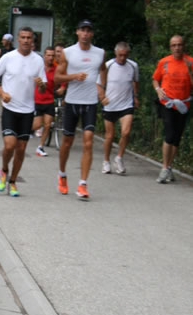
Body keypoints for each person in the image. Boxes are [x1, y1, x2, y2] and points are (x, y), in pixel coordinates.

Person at [0, 26, 47, 196]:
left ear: (33, 41)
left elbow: (43, 89)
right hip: (10, 108)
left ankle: (13, 182)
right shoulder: (8, 57)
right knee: (9, 145)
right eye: (23, 37)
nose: (26, 40)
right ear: (18, 39)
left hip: (27, 110)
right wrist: (2, 93)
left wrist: (41, 85)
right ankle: (4, 170)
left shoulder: (38, 60)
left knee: (21, 148)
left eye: (29, 38)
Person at [54, 20, 106, 199]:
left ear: (92, 34)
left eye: (88, 31)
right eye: (82, 30)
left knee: (88, 141)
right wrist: (74, 76)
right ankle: (62, 174)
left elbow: (103, 70)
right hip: (72, 102)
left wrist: (101, 87)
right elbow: (57, 77)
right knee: (67, 142)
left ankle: (83, 184)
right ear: (77, 32)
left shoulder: (100, 53)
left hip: (90, 103)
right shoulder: (68, 52)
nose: (85, 33)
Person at [152, 34, 193, 183]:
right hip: (167, 103)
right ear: (170, 47)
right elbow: (155, 79)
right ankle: (164, 168)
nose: (177, 48)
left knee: (176, 138)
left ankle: (169, 167)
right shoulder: (164, 62)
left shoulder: (190, 62)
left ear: (183, 46)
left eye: (179, 45)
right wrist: (158, 90)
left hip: (183, 104)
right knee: (169, 134)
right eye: (174, 45)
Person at [100, 42, 139, 175]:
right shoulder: (108, 65)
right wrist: (102, 97)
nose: (122, 58)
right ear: (116, 53)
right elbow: (99, 84)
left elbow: (135, 81)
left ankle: (119, 158)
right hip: (110, 105)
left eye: (125, 55)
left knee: (126, 132)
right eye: (120, 55)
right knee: (109, 136)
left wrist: (135, 96)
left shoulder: (133, 66)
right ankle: (106, 161)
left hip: (126, 105)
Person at [33, 47, 65, 156]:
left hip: (49, 100)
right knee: (36, 125)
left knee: (47, 124)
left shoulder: (56, 69)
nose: (51, 58)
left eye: (53, 55)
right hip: (37, 100)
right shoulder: (38, 67)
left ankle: (40, 147)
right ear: (44, 56)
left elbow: (63, 79)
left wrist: (63, 87)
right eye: (49, 55)